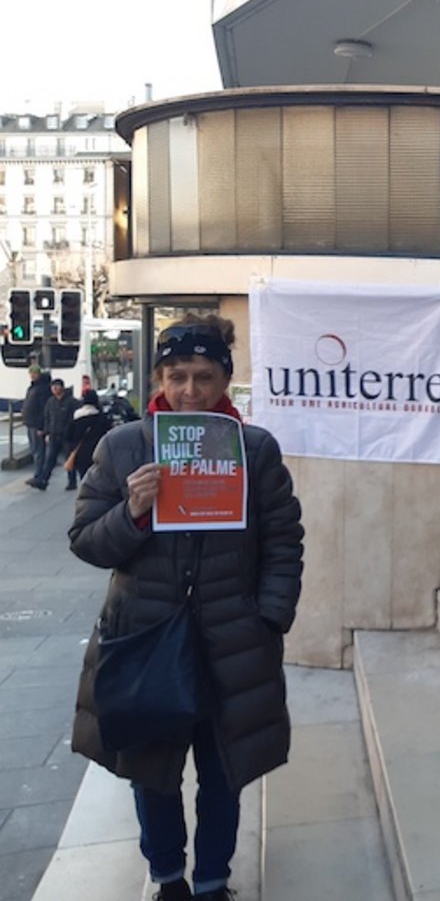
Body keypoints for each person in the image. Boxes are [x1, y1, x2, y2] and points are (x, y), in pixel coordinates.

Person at [69, 314, 304, 900]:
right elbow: (85, 540)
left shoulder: (254, 449)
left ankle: (213, 880)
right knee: (151, 770)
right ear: (159, 378)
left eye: (204, 377)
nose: (190, 392)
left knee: (224, 771)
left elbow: (283, 539)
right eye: (177, 377)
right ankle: (167, 875)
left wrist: (270, 615)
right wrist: (132, 511)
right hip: (145, 637)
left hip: (231, 638)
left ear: (225, 377)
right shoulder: (123, 447)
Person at [29, 377, 76, 490]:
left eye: (57, 386)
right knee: (50, 459)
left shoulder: (71, 402)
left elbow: (75, 418)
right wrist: (45, 431)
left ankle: (72, 482)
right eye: (53, 387)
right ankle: (43, 481)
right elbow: (47, 418)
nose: (54, 389)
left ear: (62, 388)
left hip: (67, 436)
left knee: (69, 459)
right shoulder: (50, 402)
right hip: (54, 435)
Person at [67, 388, 113, 484]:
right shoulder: (101, 417)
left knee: (83, 475)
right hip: (98, 450)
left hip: (80, 452)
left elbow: (68, 434)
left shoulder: (76, 416)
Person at [21, 363, 51, 479]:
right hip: (30, 422)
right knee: (34, 449)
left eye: (35, 373)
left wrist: (41, 426)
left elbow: (43, 408)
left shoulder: (42, 388)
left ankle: (39, 473)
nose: (32, 375)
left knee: (38, 449)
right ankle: (38, 472)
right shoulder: (33, 387)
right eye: (31, 373)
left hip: (36, 424)